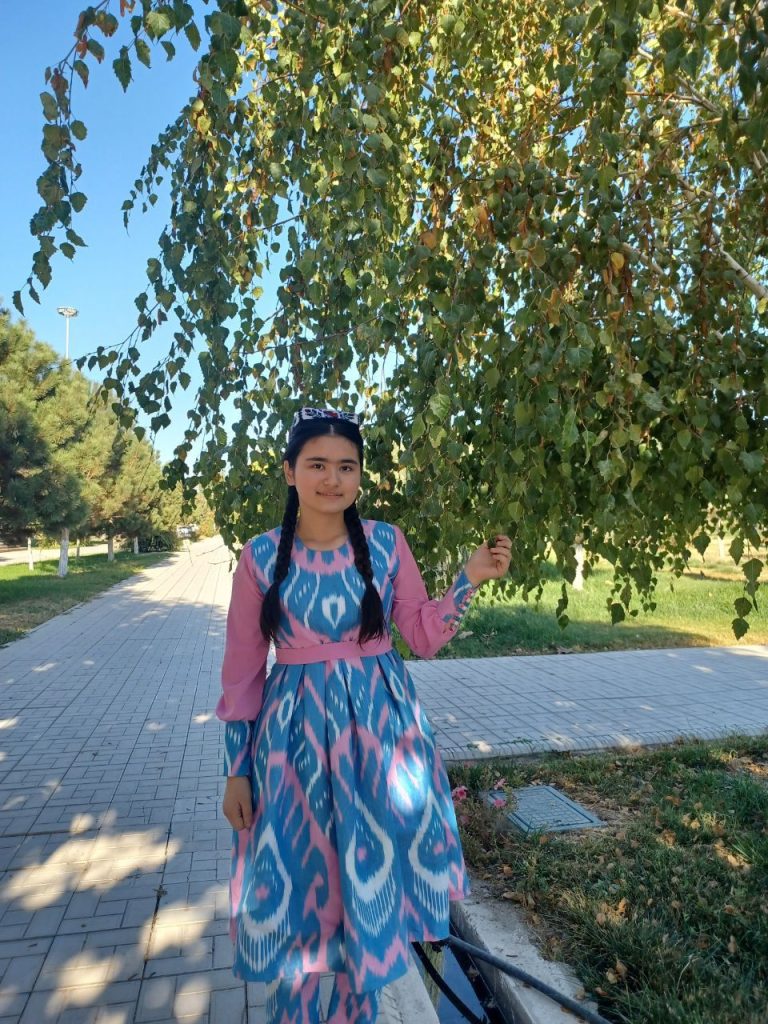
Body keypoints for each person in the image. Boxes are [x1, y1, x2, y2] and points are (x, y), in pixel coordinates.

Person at [216, 407, 512, 1024]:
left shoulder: (383, 542)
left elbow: (423, 637)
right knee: (298, 906)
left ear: (360, 475)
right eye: (317, 465)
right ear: (290, 473)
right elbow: (243, 675)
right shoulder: (261, 557)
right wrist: (235, 771)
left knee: (367, 915)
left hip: (382, 745)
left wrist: (468, 579)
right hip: (291, 752)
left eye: (345, 466)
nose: (332, 479)